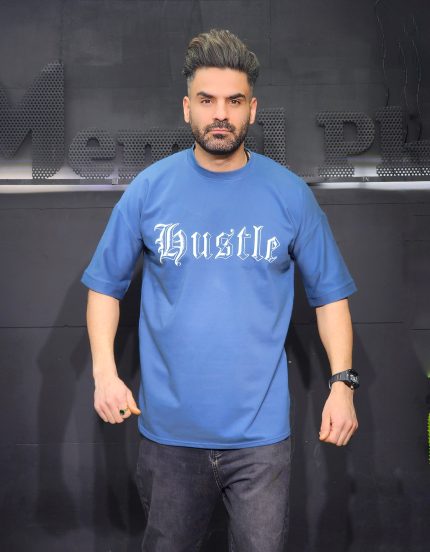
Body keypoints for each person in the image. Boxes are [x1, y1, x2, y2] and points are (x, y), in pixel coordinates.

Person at [81, 28, 359, 552]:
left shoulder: (290, 195)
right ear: (187, 107)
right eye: (207, 100)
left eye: (234, 101)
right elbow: (104, 288)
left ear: (253, 109)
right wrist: (103, 374)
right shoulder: (149, 190)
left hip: (261, 443)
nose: (221, 114)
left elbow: (330, 297)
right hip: (169, 438)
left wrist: (342, 385)